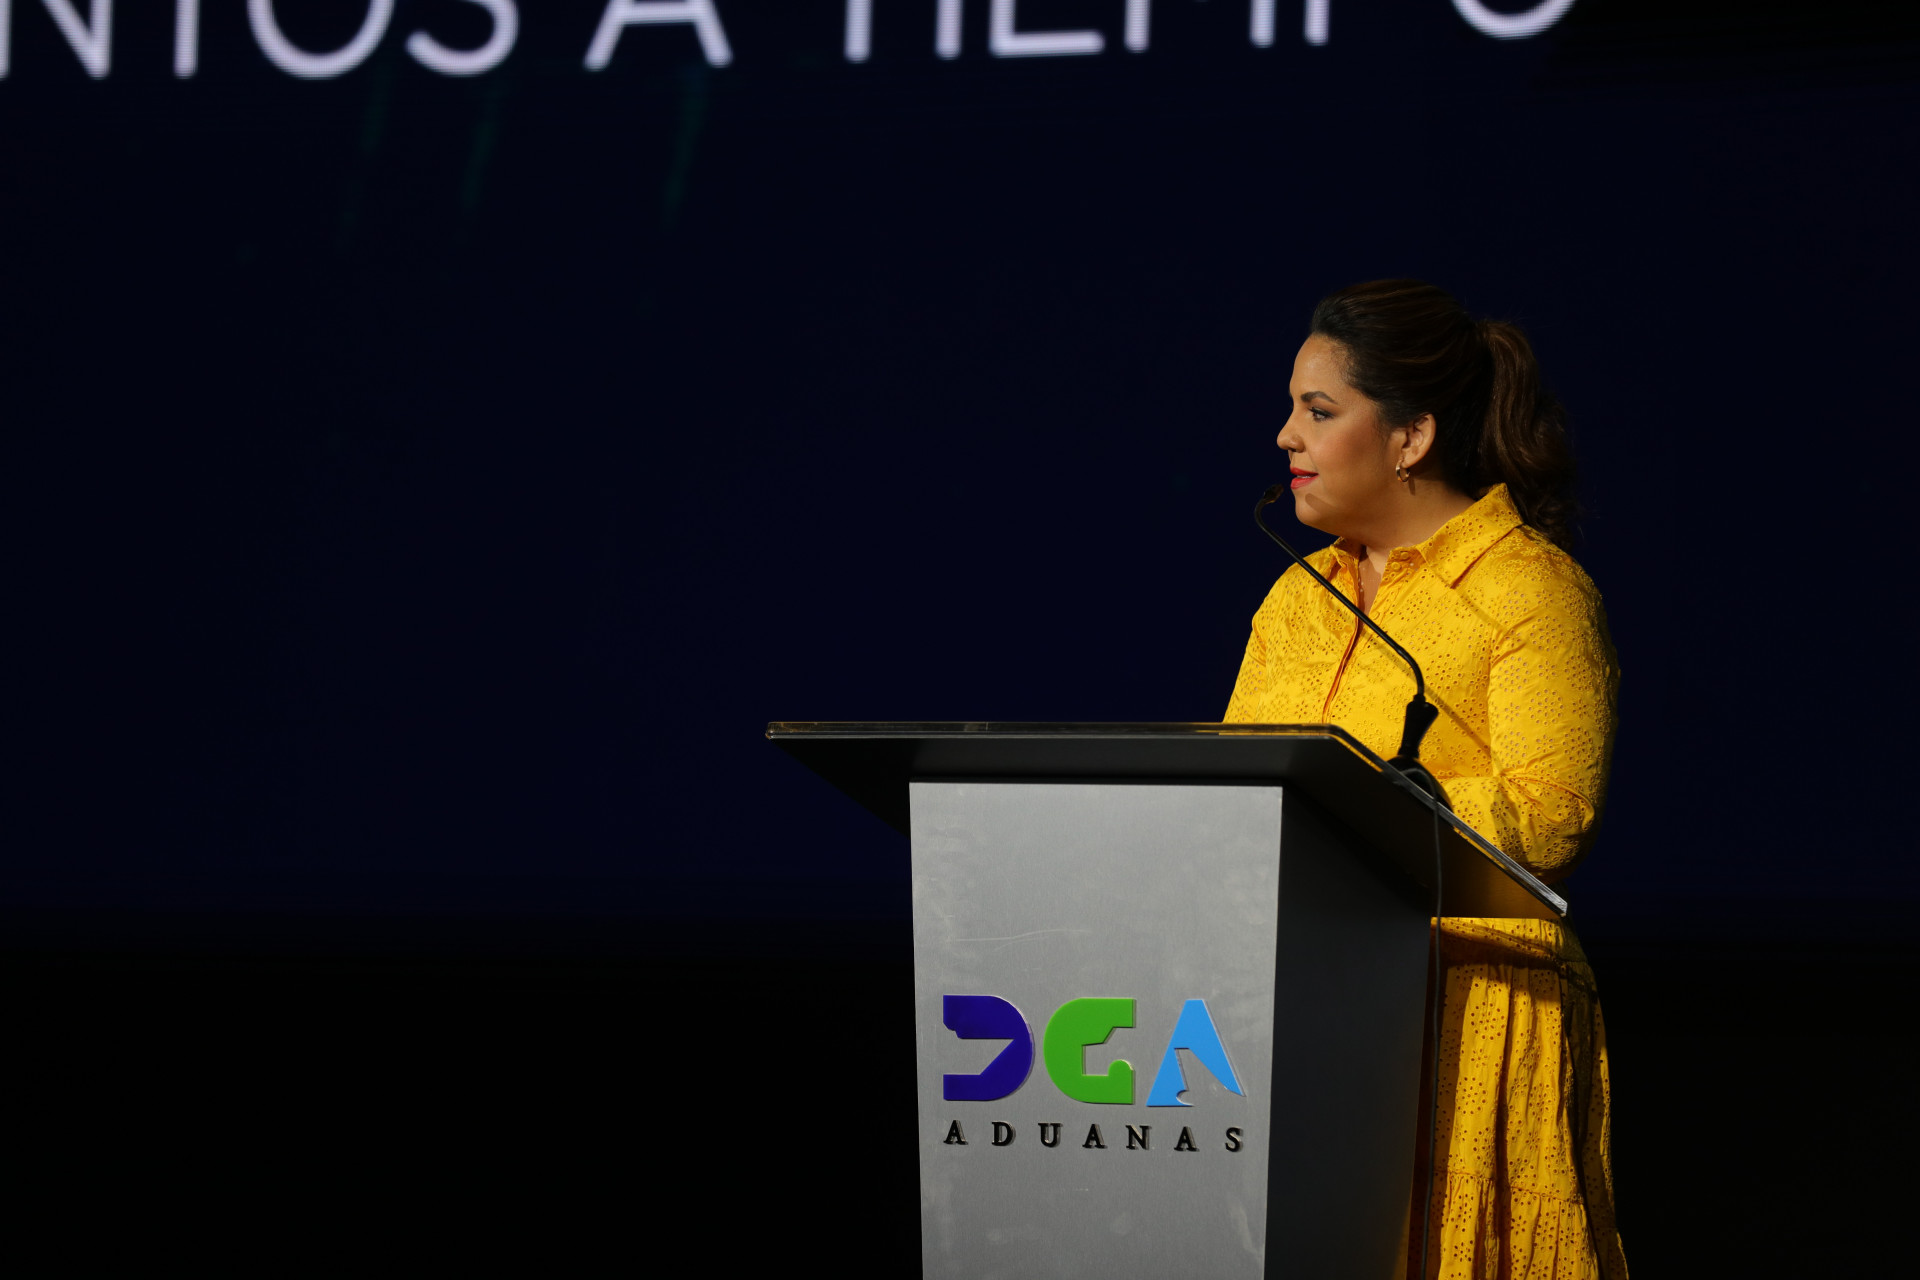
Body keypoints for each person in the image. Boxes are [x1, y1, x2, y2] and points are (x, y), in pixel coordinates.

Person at [1223, 280, 1628, 1279]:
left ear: (1410, 437)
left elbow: (1553, 817)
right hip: (1306, 999)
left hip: (1472, 1008)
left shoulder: (1529, 589)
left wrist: (1365, 801)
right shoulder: (1296, 597)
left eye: (1318, 411)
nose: (1285, 434)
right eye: (1291, 407)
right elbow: (1234, 797)